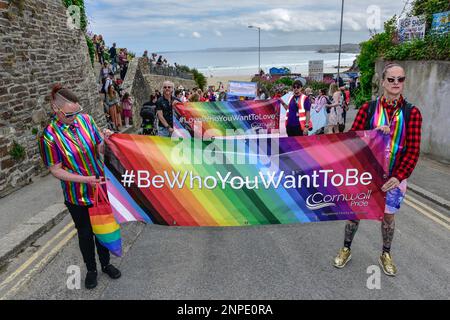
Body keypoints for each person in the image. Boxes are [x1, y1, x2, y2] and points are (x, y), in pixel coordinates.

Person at [332, 63, 422, 276]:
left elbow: (413, 150)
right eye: (391, 79)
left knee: (389, 218)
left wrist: (399, 176)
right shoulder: (368, 109)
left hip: (393, 178)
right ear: (383, 82)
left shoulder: (412, 113)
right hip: (366, 174)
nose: (396, 83)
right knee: (355, 213)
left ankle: (386, 254)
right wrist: (371, 133)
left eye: (400, 79)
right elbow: (351, 141)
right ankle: (346, 248)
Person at [39, 84, 121, 290]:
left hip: (100, 189)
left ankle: (106, 264)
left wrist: (107, 140)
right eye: (69, 115)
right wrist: (86, 180)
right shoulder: (49, 137)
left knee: (102, 229)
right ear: (55, 109)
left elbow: (99, 148)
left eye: (78, 111)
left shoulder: (86, 120)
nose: (75, 117)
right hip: (76, 195)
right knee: (85, 234)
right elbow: (56, 170)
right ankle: (91, 270)